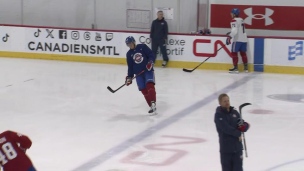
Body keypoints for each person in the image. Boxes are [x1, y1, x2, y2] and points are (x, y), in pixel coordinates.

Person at [214, 94, 250, 171]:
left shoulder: (235, 112)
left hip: (237, 149)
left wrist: (245, 126)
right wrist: (238, 133)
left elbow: (241, 123)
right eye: (224, 101)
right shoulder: (218, 115)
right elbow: (225, 128)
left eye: (228, 100)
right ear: (220, 103)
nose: (227, 102)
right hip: (226, 150)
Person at [125, 36, 157, 115]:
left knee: (149, 85)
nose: (130, 45)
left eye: (131, 43)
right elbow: (130, 67)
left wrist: (150, 62)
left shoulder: (142, 47)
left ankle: (153, 103)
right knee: (143, 89)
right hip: (138, 74)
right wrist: (129, 77)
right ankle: (151, 106)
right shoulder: (129, 54)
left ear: (134, 42)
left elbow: (151, 54)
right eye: (128, 44)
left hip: (147, 70)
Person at [226, 8, 249, 73]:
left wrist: (229, 37)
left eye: (232, 13)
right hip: (244, 39)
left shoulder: (234, 20)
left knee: (234, 53)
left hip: (237, 40)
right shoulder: (241, 20)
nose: (231, 14)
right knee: (243, 53)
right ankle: (246, 68)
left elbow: (234, 30)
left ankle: (235, 68)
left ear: (234, 14)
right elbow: (239, 29)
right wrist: (230, 32)